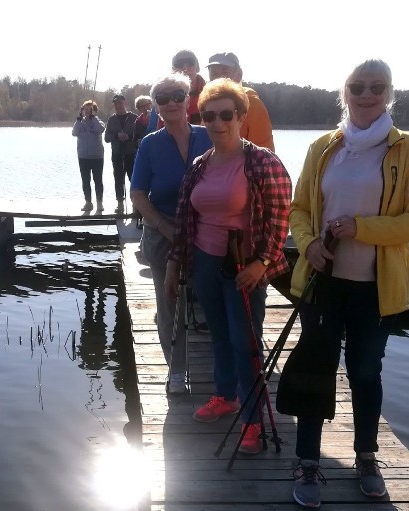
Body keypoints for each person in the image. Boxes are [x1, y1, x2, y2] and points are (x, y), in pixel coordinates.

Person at [286, 59, 409, 507]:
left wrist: (362, 228)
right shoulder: (323, 147)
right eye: (357, 86)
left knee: (366, 372)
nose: (366, 94)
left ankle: (366, 455)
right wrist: (309, 243)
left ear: (389, 94)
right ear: (344, 92)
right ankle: (308, 461)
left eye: (376, 87)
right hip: (323, 282)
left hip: (374, 288)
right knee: (316, 371)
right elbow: (299, 210)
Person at [164, 78, 291, 455]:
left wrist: (261, 263)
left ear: (240, 116)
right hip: (204, 262)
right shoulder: (200, 165)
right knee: (218, 334)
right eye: (208, 115)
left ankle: (253, 418)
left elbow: (280, 217)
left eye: (225, 114)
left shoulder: (262, 162)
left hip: (242, 265)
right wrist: (174, 266)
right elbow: (186, 218)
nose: (217, 122)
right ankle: (224, 395)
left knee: (245, 343)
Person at [129, 74, 213, 395]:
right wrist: (164, 226)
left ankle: (224, 368)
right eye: (163, 99)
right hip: (163, 234)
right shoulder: (150, 144)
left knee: (214, 298)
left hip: (208, 233)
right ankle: (177, 370)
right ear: (156, 107)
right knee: (169, 305)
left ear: (189, 98)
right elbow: (138, 193)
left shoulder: (209, 136)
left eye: (178, 95)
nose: (172, 103)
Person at [206, 52, 275, 151]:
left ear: (239, 74)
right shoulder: (207, 104)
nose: (219, 78)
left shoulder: (252, 104)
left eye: (225, 73)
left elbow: (265, 153)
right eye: (214, 74)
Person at [104, 94, 138, 212]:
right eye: (116, 104)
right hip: (117, 153)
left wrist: (128, 137)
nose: (118, 106)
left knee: (133, 178)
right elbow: (106, 138)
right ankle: (120, 204)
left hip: (131, 153)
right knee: (118, 178)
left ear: (125, 103)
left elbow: (140, 136)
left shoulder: (134, 118)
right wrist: (117, 136)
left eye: (120, 103)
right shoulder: (111, 119)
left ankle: (136, 204)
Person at [71, 100, 106, 212]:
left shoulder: (98, 121)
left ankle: (99, 204)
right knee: (85, 180)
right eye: (85, 109)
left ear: (94, 111)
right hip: (83, 156)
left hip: (97, 156)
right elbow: (74, 133)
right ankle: (88, 202)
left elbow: (101, 129)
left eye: (89, 110)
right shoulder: (79, 123)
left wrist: (93, 118)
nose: (86, 111)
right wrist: (78, 119)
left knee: (98, 180)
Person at [171, 50, 206, 124]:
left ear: (198, 67)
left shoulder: (213, 93)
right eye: (178, 64)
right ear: (173, 70)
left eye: (190, 62)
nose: (185, 68)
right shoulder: (163, 99)